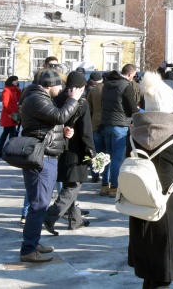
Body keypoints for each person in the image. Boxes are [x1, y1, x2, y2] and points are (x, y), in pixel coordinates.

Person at [127, 72, 173, 289]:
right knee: (163, 272)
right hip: (170, 212)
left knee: (150, 272)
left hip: (140, 207)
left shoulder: (133, 136)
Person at [18, 69, 83, 263]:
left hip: (45, 156)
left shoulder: (39, 98)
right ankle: (28, 249)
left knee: (40, 203)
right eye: (59, 85)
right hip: (41, 158)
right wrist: (73, 100)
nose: (62, 88)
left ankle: (33, 242)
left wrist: (62, 131)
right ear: (49, 85)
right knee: (38, 205)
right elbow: (59, 116)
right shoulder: (37, 99)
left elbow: (50, 122)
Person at [44, 71, 95, 234]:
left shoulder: (56, 99)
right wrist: (92, 152)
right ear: (81, 87)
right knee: (73, 185)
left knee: (68, 183)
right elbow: (86, 131)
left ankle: (75, 220)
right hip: (76, 150)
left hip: (59, 147)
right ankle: (50, 216)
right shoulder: (81, 103)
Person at [98, 64, 139, 197]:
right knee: (116, 157)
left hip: (106, 123)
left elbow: (102, 104)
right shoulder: (126, 86)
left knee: (107, 156)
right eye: (133, 76)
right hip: (119, 125)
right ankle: (114, 187)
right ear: (129, 74)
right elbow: (132, 109)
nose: (133, 78)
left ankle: (104, 185)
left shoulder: (107, 85)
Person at [0, 76, 21, 158]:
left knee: (6, 133)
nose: (17, 82)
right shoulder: (7, 91)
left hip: (12, 115)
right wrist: (13, 113)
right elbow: (6, 104)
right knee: (12, 134)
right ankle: (10, 150)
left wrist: (18, 89)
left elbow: (19, 99)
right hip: (8, 115)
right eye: (15, 80)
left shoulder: (14, 91)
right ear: (11, 81)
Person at [86, 72, 105, 183]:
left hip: (95, 123)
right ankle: (106, 178)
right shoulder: (108, 89)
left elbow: (89, 109)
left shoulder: (93, 91)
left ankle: (94, 175)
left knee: (96, 150)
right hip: (108, 122)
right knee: (108, 151)